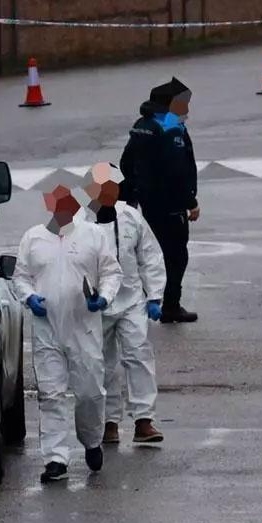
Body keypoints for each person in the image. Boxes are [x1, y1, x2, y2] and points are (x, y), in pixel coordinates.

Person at [12, 184, 122, 484]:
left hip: (83, 327)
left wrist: (104, 298)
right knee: (51, 394)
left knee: (89, 392)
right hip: (47, 328)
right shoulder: (33, 238)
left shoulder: (93, 236)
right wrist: (29, 297)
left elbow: (111, 273)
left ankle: (91, 440)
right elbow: (21, 277)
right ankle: (56, 459)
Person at [81, 163, 167, 445]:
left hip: (131, 301)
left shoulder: (131, 217)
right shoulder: (80, 222)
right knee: (103, 364)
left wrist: (154, 296)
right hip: (97, 305)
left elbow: (150, 255)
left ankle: (144, 420)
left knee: (139, 356)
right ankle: (109, 423)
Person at [120, 77, 199, 324]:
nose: (187, 108)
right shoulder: (171, 128)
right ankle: (170, 305)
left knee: (151, 253)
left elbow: (126, 162)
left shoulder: (142, 124)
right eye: (183, 103)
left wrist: (137, 189)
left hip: (147, 202)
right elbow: (177, 170)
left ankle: (145, 300)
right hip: (170, 204)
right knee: (176, 256)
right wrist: (190, 202)